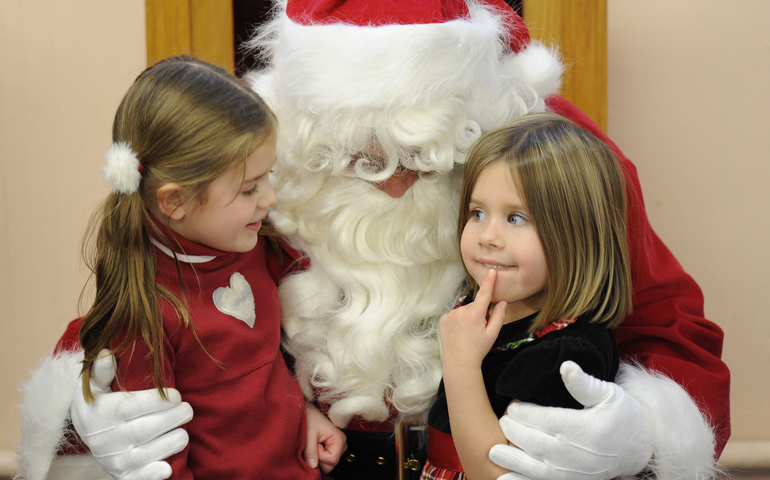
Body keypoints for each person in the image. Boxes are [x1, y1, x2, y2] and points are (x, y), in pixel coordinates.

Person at [17, 1, 729, 479]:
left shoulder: (550, 153)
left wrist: (643, 428)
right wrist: (89, 411)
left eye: (427, 159)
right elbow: (145, 291)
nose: (393, 186)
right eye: (360, 160)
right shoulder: (261, 161)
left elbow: (671, 325)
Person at [17, 55, 345, 480]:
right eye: (249, 188)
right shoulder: (145, 314)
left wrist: (302, 414)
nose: (270, 199)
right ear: (175, 201)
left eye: (268, 177)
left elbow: (266, 368)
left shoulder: (253, 240)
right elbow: (158, 459)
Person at [422, 113, 632, 480]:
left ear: (576, 235)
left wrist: (460, 364)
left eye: (516, 218)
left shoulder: (566, 356)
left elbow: (497, 472)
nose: (487, 236)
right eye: (478, 212)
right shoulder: (479, 312)